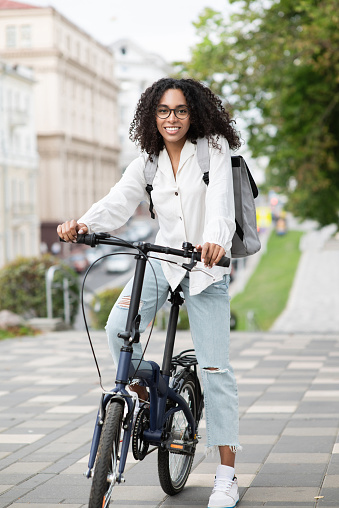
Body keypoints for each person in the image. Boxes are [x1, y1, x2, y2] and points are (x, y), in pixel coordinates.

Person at [57, 77, 241, 508]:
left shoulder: (212, 149)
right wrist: (84, 224)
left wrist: (214, 240)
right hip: (163, 260)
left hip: (206, 268)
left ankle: (227, 475)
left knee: (216, 371)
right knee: (118, 326)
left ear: (193, 113)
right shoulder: (148, 160)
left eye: (179, 110)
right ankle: (146, 390)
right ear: (151, 115)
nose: (171, 118)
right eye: (163, 110)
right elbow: (119, 201)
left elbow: (220, 207)